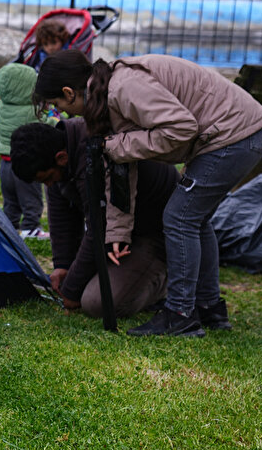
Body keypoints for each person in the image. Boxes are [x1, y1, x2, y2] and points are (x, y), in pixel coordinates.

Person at [34, 50, 262, 336]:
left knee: (180, 217)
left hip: (236, 135)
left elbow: (181, 128)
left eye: (56, 105)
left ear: (69, 93)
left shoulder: (123, 88)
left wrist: (118, 145)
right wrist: (118, 232)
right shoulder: (103, 95)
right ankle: (209, 309)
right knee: (195, 218)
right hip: (232, 133)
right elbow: (121, 169)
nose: (62, 114)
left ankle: (180, 315)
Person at [11, 119, 173, 319]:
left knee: (97, 302)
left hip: (154, 233)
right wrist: (63, 266)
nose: (49, 185)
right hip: (118, 237)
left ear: (61, 158)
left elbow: (100, 227)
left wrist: (71, 289)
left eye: (47, 178)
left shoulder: (93, 156)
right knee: (84, 285)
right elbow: (62, 217)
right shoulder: (58, 154)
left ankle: (166, 280)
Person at [0, 62, 48, 238]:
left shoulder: (2, 107)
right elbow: (47, 125)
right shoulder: (32, 111)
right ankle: (31, 227)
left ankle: (9, 226)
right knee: (31, 198)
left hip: (5, 164)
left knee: (10, 200)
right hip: (25, 164)